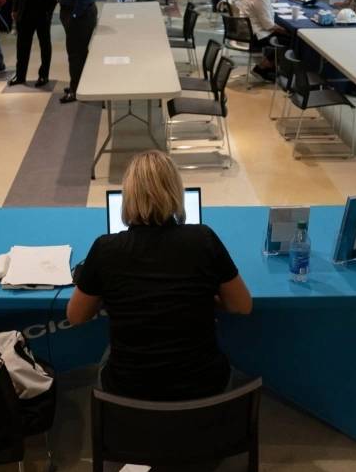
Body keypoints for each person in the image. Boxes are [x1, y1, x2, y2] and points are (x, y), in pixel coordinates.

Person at [67, 150, 253, 401]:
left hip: (129, 395)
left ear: (127, 197)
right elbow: (242, 305)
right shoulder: (203, 239)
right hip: (205, 391)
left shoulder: (106, 248)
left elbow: (76, 316)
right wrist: (199, 296)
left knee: (108, 356)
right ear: (176, 192)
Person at [57, 0, 98, 104]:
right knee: (77, 53)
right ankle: (79, 82)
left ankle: (76, 89)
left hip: (80, 15)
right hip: (73, 14)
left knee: (76, 54)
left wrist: (74, 16)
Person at [239, 0, 290, 83]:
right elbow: (270, 26)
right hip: (254, 35)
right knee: (288, 40)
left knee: (285, 37)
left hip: (252, 32)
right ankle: (262, 67)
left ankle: (268, 67)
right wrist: (289, 32)